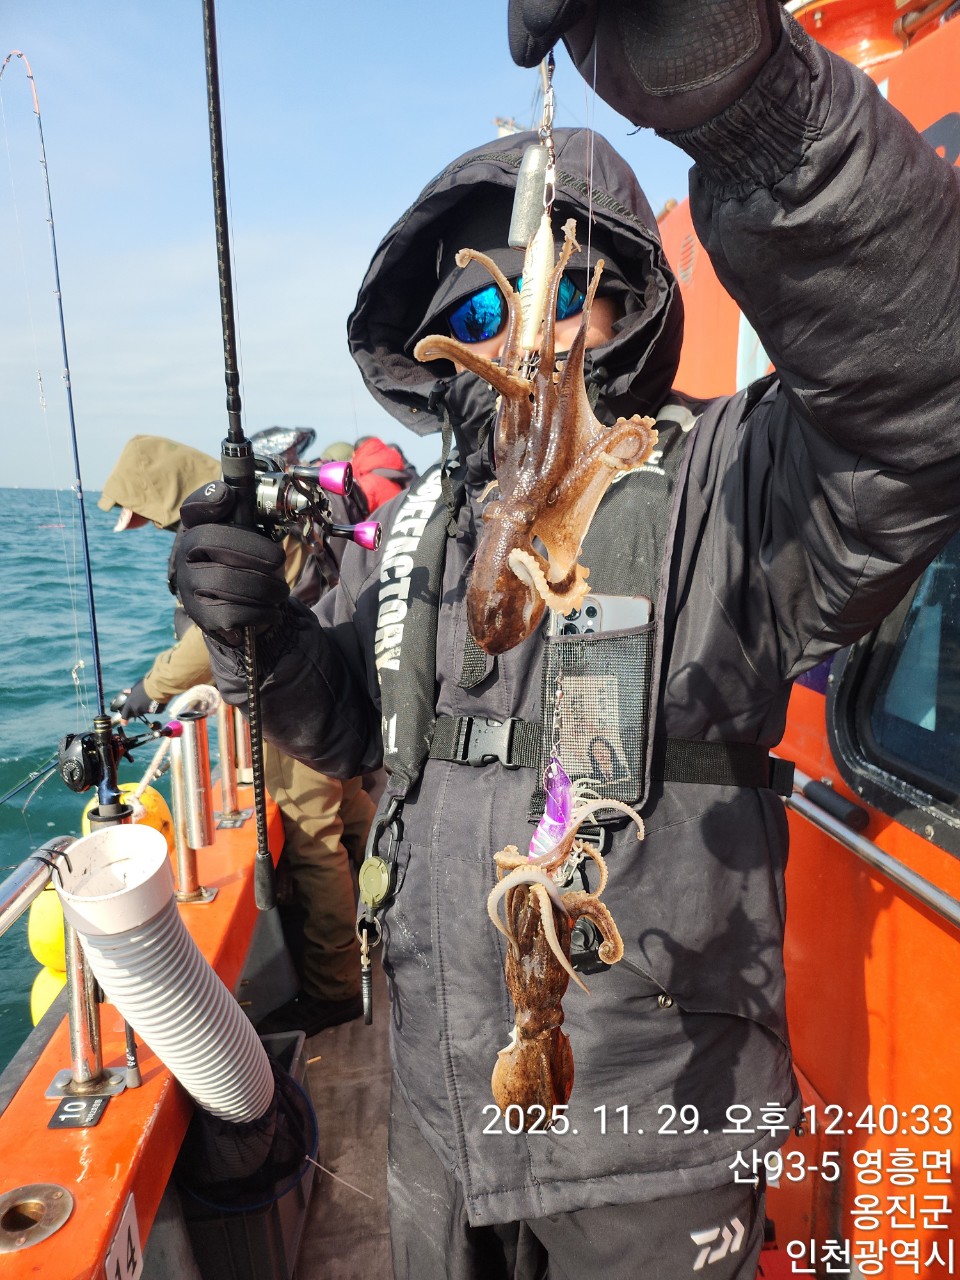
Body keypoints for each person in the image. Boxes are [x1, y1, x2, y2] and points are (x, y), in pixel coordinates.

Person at [172, 4, 960, 1277]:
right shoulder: (418, 531)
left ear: (626, 304)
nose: (520, 332)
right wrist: (255, 636)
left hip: (649, 1142)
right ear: (442, 352)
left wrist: (756, 111)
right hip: (440, 1116)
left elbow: (923, 392)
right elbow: (352, 728)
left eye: (561, 290)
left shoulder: (724, 487)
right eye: (479, 309)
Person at [99, 434, 375, 1036]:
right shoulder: (257, 501)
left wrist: (150, 687)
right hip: (332, 678)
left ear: (160, 492)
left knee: (313, 839)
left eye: (145, 514)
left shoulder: (229, 524)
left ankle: (336, 989)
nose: (148, 526)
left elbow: (217, 631)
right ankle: (384, 917)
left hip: (293, 700)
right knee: (352, 808)